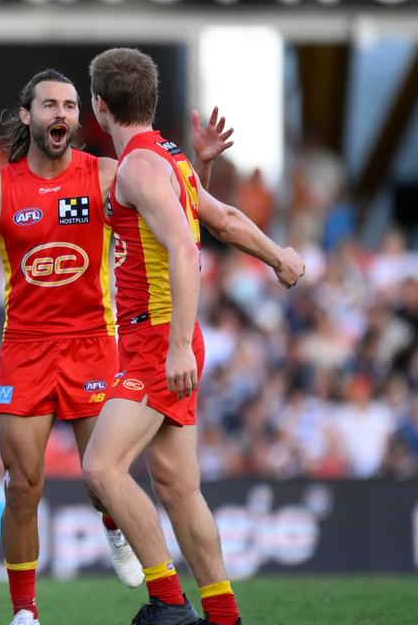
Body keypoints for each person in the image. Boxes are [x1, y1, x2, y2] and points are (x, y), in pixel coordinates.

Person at [0, 69, 234, 625]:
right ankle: (24, 612)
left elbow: (181, 209)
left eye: (69, 104)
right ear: (28, 116)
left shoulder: (108, 173)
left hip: (94, 344)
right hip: (25, 348)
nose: (61, 113)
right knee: (22, 485)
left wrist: (200, 164)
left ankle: (115, 527)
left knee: (103, 480)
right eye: (49, 105)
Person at [79, 48, 305, 625]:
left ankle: (170, 603)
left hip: (158, 339)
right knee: (178, 487)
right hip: (160, 337)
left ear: (100, 107)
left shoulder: (137, 166)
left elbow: (184, 247)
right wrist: (277, 256)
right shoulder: (170, 160)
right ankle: (223, 615)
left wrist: (178, 343)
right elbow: (217, 220)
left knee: (102, 469)